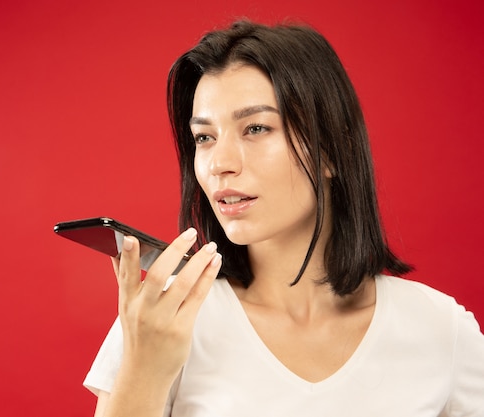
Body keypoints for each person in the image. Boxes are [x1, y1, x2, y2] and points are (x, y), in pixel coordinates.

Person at [83, 20, 484, 416]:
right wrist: (144, 369)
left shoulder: (441, 331)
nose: (219, 163)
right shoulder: (161, 323)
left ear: (331, 148)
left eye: (255, 128)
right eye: (204, 137)